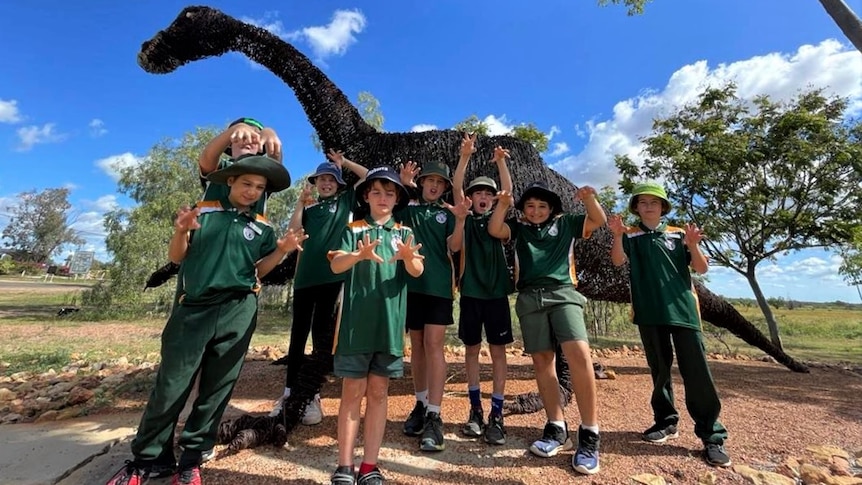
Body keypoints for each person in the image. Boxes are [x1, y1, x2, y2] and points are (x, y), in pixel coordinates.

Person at [105, 155, 307, 485]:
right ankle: (146, 459)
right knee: (171, 387)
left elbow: (259, 272)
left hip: (238, 311)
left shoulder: (262, 228)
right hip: (194, 310)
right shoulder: (204, 213)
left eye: (259, 187)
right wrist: (181, 231)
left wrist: (282, 249)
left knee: (217, 389)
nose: (252, 191)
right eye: (246, 184)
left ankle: (191, 459)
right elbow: (177, 257)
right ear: (230, 181)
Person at [608, 181, 731, 468]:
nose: (648, 206)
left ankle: (712, 435)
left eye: (654, 202)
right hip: (649, 313)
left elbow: (700, 268)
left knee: (696, 372)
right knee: (660, 371)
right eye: (642, 202)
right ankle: (665, 422)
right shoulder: (631, 235)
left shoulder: (678, 235)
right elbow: (616, 262)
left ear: (663, 207)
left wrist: (693, 245)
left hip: (683, 312)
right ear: (636, 208)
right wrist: (616, 236)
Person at [487, 181, 606, 475]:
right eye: (530, 206)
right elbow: (494, 229)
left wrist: (589, 199)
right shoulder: (518, 229)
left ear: (551, 208)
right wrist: (503, 204)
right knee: (542, 361)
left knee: (579, 354)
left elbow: (598, 220)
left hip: (563, 292)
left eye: (542, 206)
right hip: (529, 298)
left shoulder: (566, 224)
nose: (536, 210)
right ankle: (556, 427)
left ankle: (590, 434)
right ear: (523, 210)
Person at [328, 166, 425, 485]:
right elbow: (336, 263)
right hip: (356, 327)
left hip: (389, 328)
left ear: (397, 198)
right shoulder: (353, 229)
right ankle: (344, 466)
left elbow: (416, 271)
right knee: (352, 392)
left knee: (380, 392)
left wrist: (409, 258)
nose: (383, 197)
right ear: (366, 196)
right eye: (377, 192)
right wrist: (357, 255)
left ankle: (370, 466)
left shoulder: (404, 234)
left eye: (390, 192)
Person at [268, 149, 369, 425]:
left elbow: (368, 176)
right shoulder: (310, 208)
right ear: (315, 183)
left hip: (332, 279)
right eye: (322, 180)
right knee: (297, 334)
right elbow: (293, 232)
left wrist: (344, 162)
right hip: (305, 280)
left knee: (321, 335)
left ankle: (311, 395)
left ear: (338, 184)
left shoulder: (346, 201)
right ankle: (289, 393)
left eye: (331, 180)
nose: (326, 184)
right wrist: (300, 204)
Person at [397, 160, 469, 452]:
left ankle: (435, 415)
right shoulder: (409, 208)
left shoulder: (447, 212)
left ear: (444, 188)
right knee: (416, 345)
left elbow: (453, 246)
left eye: (440, 183)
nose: (435, 186)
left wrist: (461, 220)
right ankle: (421, 403)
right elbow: (391, 217)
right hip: (410, 287)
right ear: (422, 182)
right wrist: (402, 185)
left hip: (439, 287)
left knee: (433, 344)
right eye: (430, 181)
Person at [450, 134, 514, 445]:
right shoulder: (464, 219)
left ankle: (497, 413)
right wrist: (464, 157)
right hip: (471, 294)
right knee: (472, 351)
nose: (483, 196)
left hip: (497, 295)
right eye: (478, 193)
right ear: (471, 197)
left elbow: (508, 192)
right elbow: (456, 187)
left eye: (488, 193)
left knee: (499, 353)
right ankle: (474, 410)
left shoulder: (499, 222)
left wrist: (501, 162)